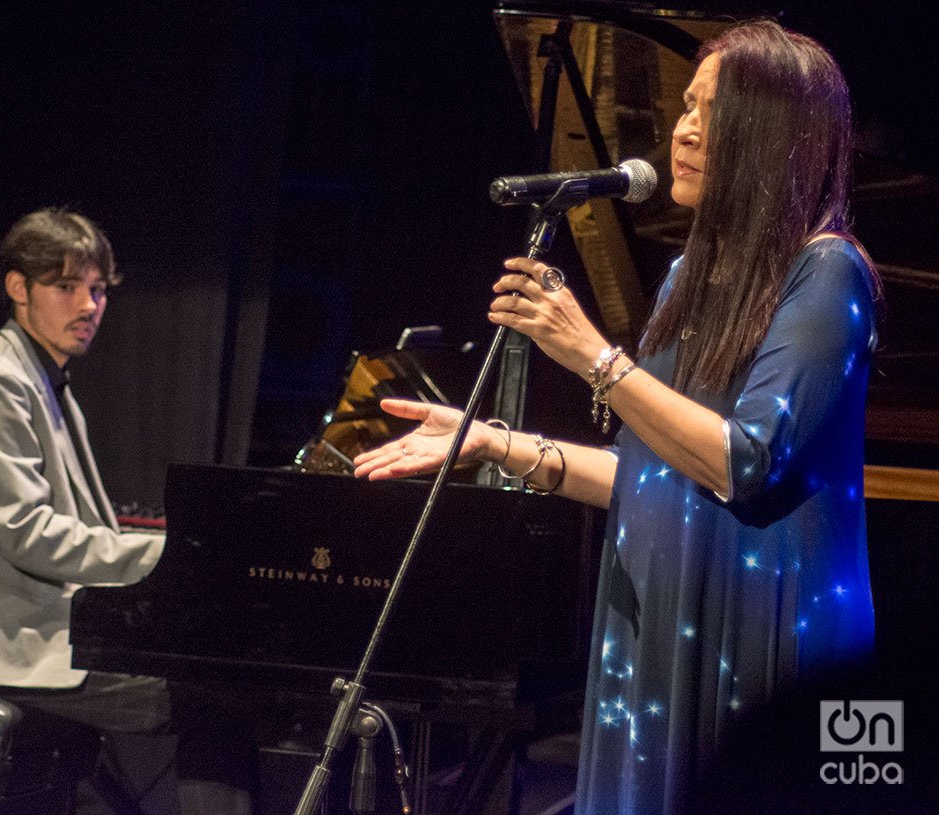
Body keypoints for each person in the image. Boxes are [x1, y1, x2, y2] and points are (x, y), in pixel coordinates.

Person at [353, 21, 878, 815]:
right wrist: (498, 442)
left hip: (764, 649)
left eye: (713, 109)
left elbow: (745, 462)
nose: (684, 129)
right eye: (687, 106)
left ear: (774, 135)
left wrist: (595, 355)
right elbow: (651, 474)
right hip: (664, 637)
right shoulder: (679, 283)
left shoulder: (830, 270)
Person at [0, 208, 252, 813]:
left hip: (45, 634)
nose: (89, 305)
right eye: (66, 286)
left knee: (220, 684)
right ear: (19, 288)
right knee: (212, 699)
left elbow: (85, 534)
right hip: (3, 648)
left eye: (97, 289)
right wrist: (171, 555)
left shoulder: (47, 384)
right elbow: (30, 535)